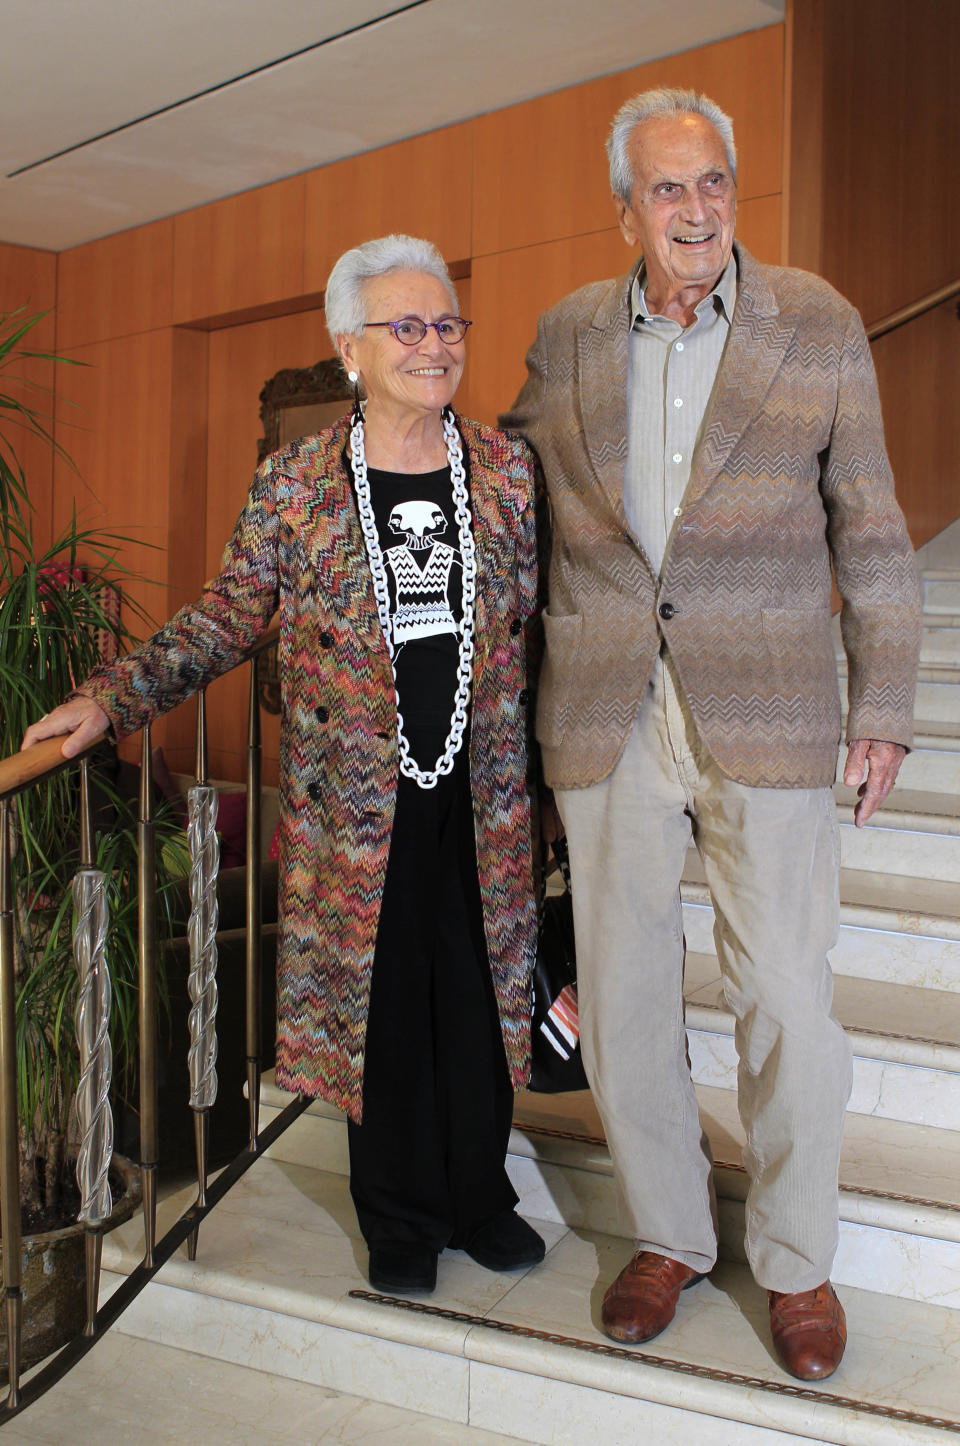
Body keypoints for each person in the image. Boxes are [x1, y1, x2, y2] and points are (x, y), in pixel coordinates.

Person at [24, 233, 545, 1296]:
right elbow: (228, 615)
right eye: (408, 326)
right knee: (384, 1004)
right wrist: (110, 699)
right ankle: (400, 1216)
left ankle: (480, 1197)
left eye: (447, 324)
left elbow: (533, 620)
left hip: (481, 794)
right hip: (353, 802)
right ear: (351, 346)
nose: (434, 344)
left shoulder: (504, 469)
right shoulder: (298, 483)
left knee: (478, 999)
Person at [502, 89, 921, 1381]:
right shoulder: (568, 333)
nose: (695, 211)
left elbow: (872, 525)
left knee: (787, 994)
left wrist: (886, 702)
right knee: (624, 996)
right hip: (608, 703)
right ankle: (672, 1236)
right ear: (625, 207)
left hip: (775, 701)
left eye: (713, 184)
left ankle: (795, 1262)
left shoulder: (820, 322)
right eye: (668, 190)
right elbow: (513, 504)